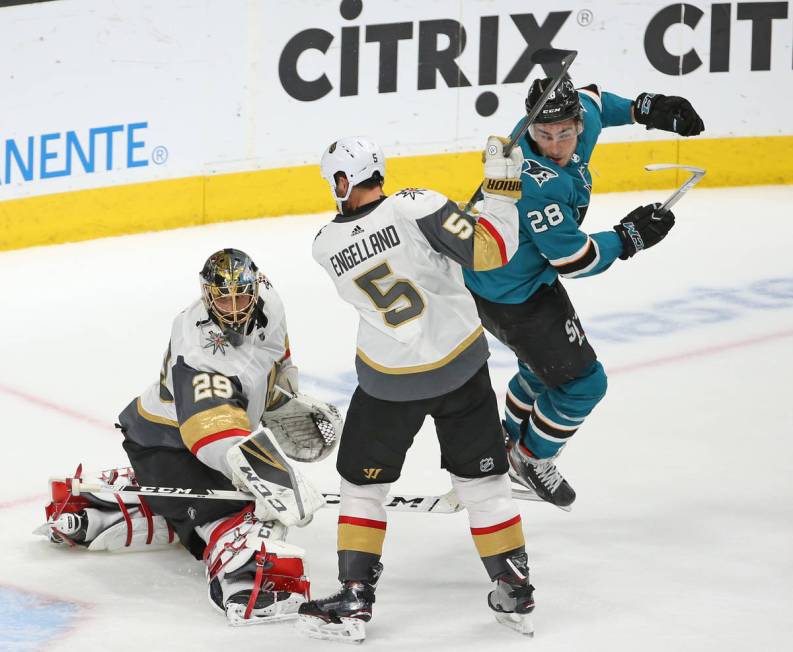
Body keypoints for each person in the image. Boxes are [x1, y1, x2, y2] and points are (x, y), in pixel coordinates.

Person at [297, 136, 535, 642]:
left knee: (363, 487)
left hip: (390, 383)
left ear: (344, 181)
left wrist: (440, 245)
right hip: (462, 370)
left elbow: (393, 253)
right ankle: (514, 586)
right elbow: (491, 250)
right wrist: (501, 188)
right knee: (485, 486)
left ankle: (356, 597)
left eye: (333, 181)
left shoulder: (325, 245)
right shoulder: (417, 204)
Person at [36, 248, 342, 626]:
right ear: (206, 295)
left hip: (178, 442)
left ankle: (139, 503)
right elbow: (209, 435)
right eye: (222, 299)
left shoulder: (271, 302)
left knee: (247, 491)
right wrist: (275, 478)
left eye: (241, 296)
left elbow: (275, 353)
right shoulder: (199, 352)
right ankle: (241, 573)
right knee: (256, 509)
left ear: (257, 287)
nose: (233, 308)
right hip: (168, 446)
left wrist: (280, 395)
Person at [463, 78, 705, 508]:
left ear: (577, 123)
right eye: (543, 135)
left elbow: (597, 101)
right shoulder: (534, 183)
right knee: (584, 384)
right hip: (516, 297)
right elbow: (576, 261)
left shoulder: (564, 118)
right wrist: (629, 237)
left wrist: (646, 108)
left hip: (490, 282)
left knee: (540, 370)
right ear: (531, 129)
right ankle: (531, 457)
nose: (554, 144)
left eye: (564, 133)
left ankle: (505, 437)